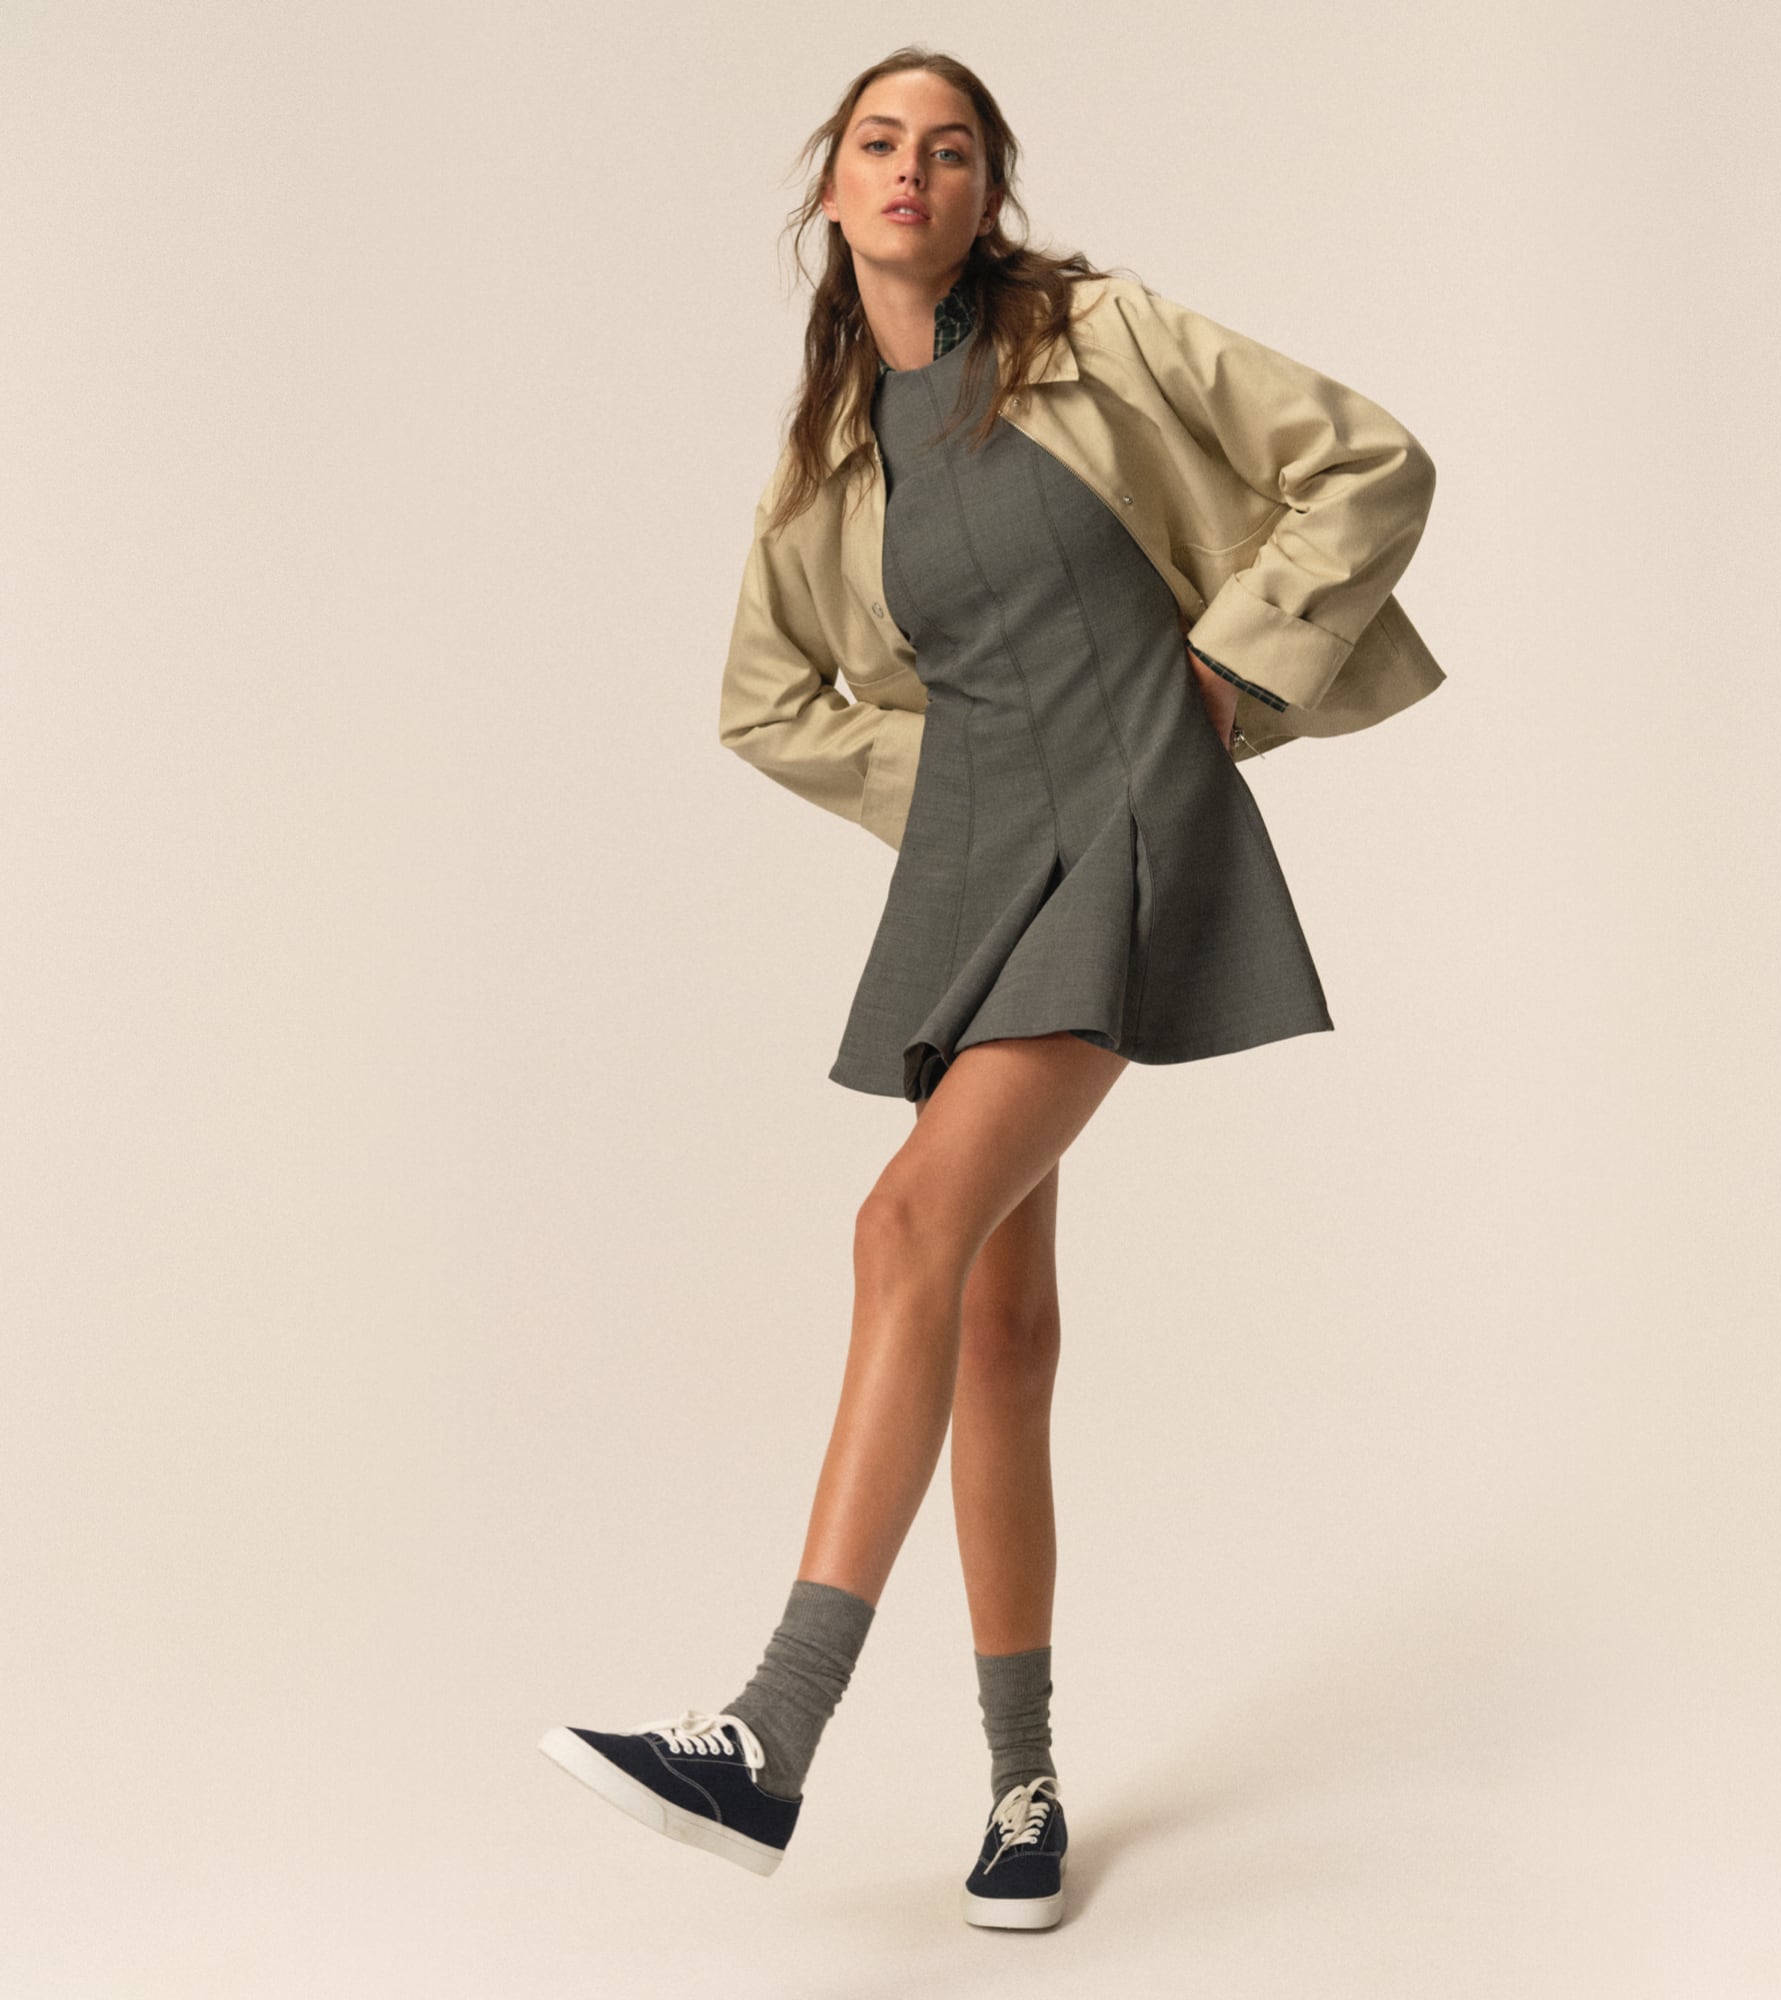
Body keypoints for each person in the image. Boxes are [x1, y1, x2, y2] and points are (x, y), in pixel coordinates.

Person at [540, 45, 1442, 1931]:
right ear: (834, 186)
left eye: (950, 150)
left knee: (901, 1227)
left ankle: (770, 1733)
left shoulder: (1095, 337)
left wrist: (1230, 674)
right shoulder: (834, 450)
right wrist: (952, 780)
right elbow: (764, 702)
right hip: (972, 873)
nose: (913, 172)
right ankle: (1022, 1789)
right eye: (882, 143)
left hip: (1130, 821)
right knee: (997, 1329)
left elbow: (1368, 461)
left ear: (986, 190)